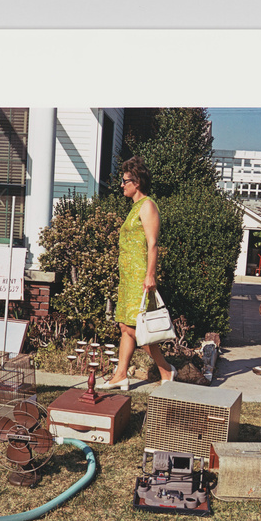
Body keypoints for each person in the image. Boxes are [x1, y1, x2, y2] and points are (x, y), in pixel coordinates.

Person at [99, 156, 176, 390]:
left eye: (125, 181)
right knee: (125, 326)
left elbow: (153, 243)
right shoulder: (134, 208)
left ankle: (165, 369)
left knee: (136, 327)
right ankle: (121, 374)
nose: (122, 185)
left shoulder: (148, 206)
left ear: (137, 182)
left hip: (141, 276)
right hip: (128, 278)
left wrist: (150, 275)